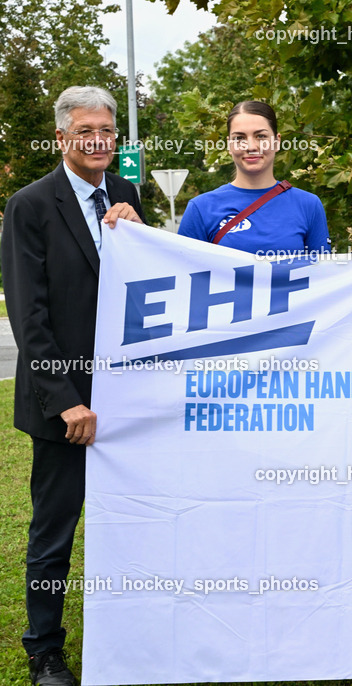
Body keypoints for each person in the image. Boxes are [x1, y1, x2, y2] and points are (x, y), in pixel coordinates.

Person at [1, 85, 146, 686]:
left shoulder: (127, 193)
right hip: (66, 404)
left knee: (137, 518)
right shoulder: (30, 205)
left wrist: (141, 231)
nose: (97, 140)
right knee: (54, 529)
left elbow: (145, 283)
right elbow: (28, 317)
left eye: (107, 130)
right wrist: (66, 401)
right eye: (85, 130)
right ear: (62, 137)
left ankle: (138, 630)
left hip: (129, 398)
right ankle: (44, 650)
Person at [178, 101, 330, 256]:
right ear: (229, 145)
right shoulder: (200, 209)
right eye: (239, 138)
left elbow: (322, 270)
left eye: (261, 136)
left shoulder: (308, 205)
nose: (251, 147)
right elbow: (184, 268)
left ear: (277, 142)